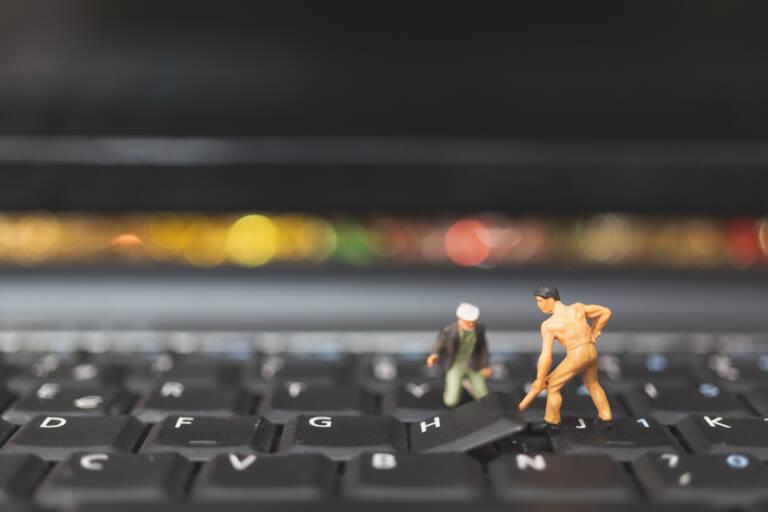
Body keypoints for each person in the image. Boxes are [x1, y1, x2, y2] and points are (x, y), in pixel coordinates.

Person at [520, 286, 614, 432]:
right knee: (593, 384)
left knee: (552, 386)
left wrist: (540, 378)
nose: (539, 305)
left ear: (551, 300)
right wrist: (595, 332)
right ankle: (606, 416)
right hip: (591, 351)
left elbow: (546, 355)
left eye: (540, 301)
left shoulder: (549, 325)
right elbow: (606, 312)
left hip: (577, 354)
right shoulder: (578, 308)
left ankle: (552, 422)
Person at [426, 302, 492, 407]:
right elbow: (439, 344)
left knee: (484, 396)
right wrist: (434, 355)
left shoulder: (479, 328)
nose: (472, 324)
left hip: (473, 364)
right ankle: (461, 381)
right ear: (460, 319)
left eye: (473, 321)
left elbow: (483, 348)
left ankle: (466, 381)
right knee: (451, 401)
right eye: (468, 322)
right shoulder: (448, 331)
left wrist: (485, 366)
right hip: (455, 365)